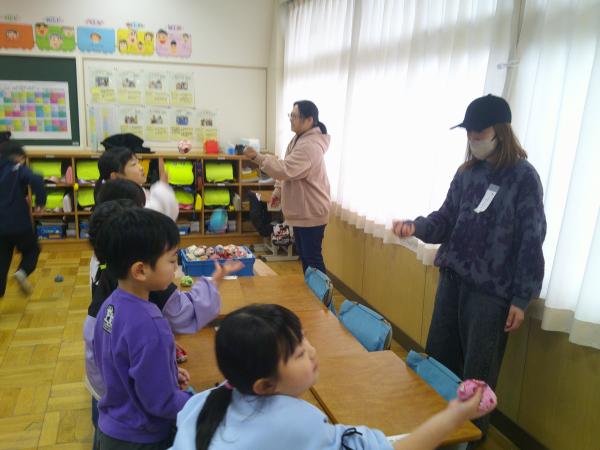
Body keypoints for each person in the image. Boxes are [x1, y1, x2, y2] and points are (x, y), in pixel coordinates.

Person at [392, 94, 546, 438]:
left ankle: (471, 439)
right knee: (439, 360)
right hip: (453, 279)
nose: (473, 139)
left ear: (500, 132)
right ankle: (434, 433)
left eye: (480, 133)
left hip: (491, 294)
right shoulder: (467, 173)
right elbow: (445, 219)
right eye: (469, 133)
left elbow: (531, 239)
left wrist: (521, 298)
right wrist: (415, 226)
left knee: (478, 374)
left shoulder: (524, 177)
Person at [170, 304, 493, 450]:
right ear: (265, 385)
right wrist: (455, 415)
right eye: (299, 353)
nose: (312, 351)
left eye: (305, 340)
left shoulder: (205, 400)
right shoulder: (297, 424)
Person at [93, 208, 190, 449]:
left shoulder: (109, 305)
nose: (176, 267)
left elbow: (114, 361)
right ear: (140, 270)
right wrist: (195, 402)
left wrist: (166, 373)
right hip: (141, 437)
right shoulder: (151, 323)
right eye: (172, 260)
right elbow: (161, 403)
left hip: (111, 428)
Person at [244, 100, 331, 274]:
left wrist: (257, 157)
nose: (291, 119)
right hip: (303, 211)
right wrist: (278, 190)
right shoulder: (298, 139)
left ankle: (323, 293)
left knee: (312, 260)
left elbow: (284, 170)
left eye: (295, 116)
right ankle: (312, 290)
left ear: (309, 120)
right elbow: (288, 169)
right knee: (306, 259)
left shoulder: (310, 146)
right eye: (290, 115)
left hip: (311, 211)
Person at [0, 141, 46, 297]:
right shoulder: (17, 168)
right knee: (32, 250)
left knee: (2, 261)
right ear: (19, 157)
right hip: (18, 223)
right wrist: (40, 203)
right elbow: (37, 180)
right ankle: (22, 271)